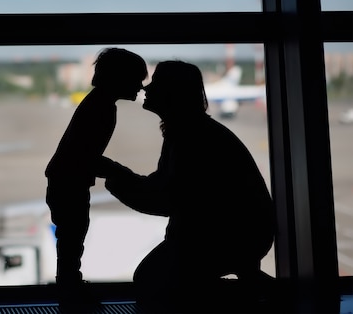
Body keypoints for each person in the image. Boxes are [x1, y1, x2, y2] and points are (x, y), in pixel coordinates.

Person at [96, 60, 276, 313]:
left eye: (156, 83)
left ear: (172, 93)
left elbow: (167, 200)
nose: (147, 89)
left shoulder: (189, 137)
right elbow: (168, 190)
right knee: (155, 280)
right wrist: (119, 175)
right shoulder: (190, 131)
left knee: (152, 283)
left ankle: (258, 294)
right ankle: (256, 288)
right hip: (237, 233)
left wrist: (116, 178)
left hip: (227, 236)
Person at [45, 47, 147, 310]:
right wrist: (121, 172)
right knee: (71, 243)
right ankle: (70, 295)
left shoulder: (99, 103)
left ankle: (71, 291)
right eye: (137, 78)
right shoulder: (101, 108)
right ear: (119, 78)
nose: (141, 86)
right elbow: (86, 157)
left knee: (70, 243)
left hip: (66, 182)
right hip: (69, 185)